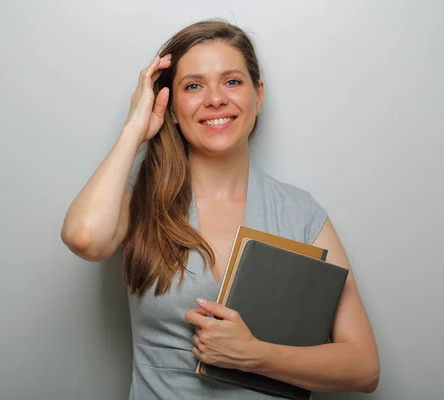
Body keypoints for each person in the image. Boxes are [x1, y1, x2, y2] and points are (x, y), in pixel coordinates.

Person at [61, 19, 379, 399]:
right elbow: (84, 239)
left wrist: (254, 355)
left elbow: (363, 367)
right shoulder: (140, 201)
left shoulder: (300, 214)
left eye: (232, 82)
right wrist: (135, 126)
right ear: (171, 107)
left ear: (258, 96)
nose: (215, 98)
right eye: (193, 86)